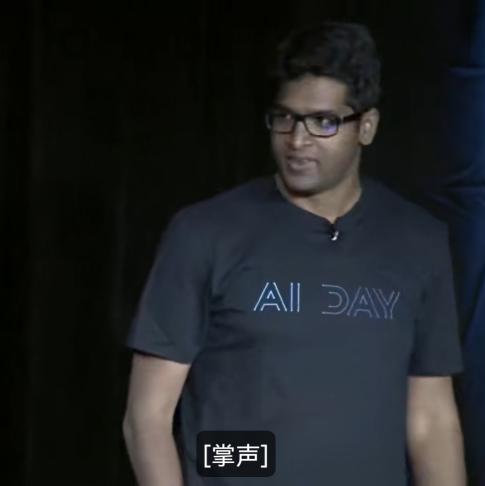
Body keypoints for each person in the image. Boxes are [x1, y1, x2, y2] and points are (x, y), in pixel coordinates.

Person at [122, 21, 466, 486]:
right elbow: (147, 419)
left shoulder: (418, 241)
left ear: (366, 127)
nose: (298, 141)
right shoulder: (204, 233)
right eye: (285, 118)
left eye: (323, 122)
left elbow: (431, 421)